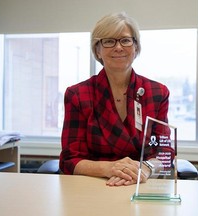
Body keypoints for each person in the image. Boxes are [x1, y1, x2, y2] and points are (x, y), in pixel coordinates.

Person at [59, 12, 170, 186]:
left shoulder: (157, 92)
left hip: (141, 185)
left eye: (125, 40)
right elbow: (70, 160)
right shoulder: (78, 95)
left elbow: (165, 153)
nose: (118, 47)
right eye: (109, 41)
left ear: (136, 47)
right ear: (98, 49)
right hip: (93, 185)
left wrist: (146, 169)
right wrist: (110, 168)